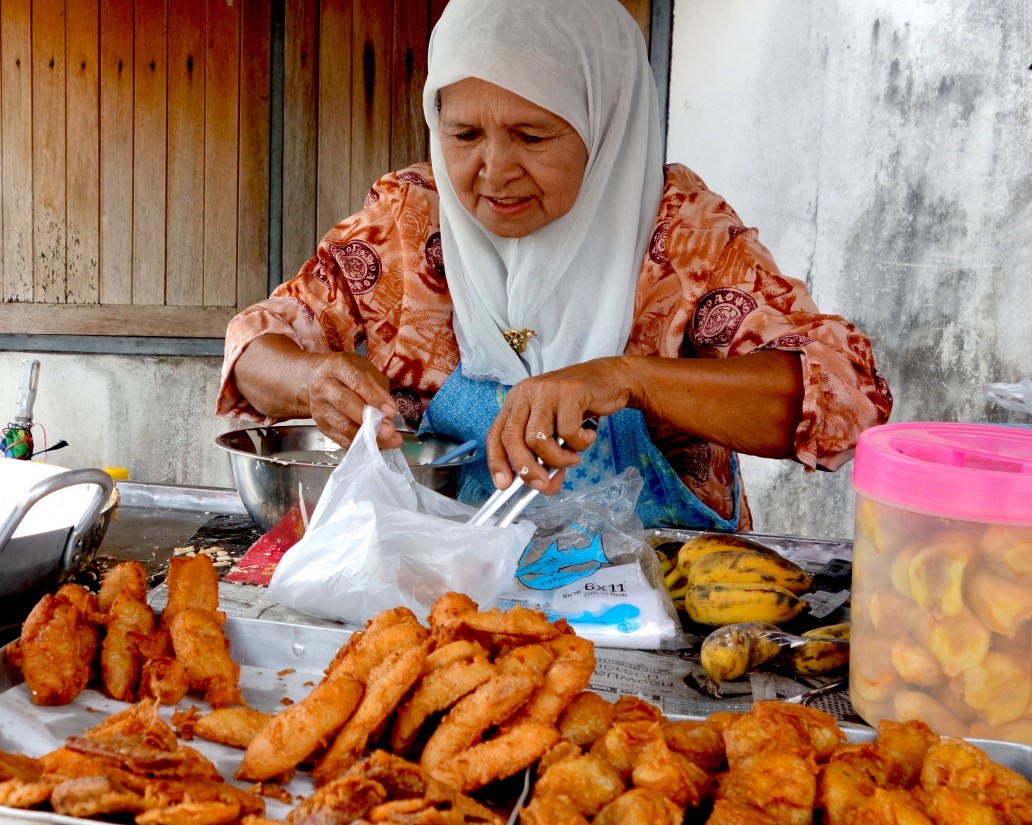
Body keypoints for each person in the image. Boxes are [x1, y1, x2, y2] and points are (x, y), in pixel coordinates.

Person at [217, 0, 891, 530]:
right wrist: (312, 380)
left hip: (658, 607)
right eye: (464, 134)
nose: (493, 171)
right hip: (443, 587)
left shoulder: (682, 234)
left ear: (603, 125)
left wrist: (632, 381)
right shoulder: (406, 220)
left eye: (533, 136)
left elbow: (847, 395)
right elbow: (254, 342)